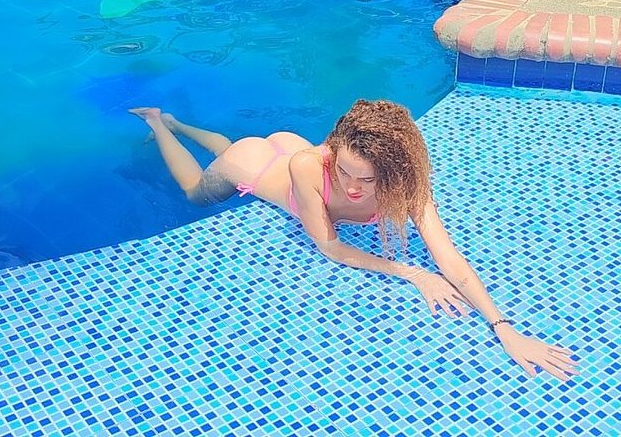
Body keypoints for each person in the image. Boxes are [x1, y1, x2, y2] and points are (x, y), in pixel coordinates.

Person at [130, 99, 580, 381]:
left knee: (231, 145)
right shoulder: (311, 165)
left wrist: (504, 328)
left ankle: (177, 121)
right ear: (334, 149)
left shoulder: (409, 188)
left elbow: (449, 257)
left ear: (393, 171)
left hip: (287, 146)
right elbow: (329, 246)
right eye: (343, 171)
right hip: (255, 165)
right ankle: (160, 124)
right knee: (195, 192)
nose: (351, 187)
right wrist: (413, 274)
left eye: (366, 179)